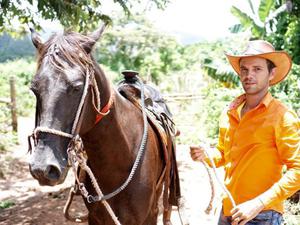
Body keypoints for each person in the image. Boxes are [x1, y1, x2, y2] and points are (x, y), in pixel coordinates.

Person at [190, 40, 300, 225]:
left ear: (271, 74)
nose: (249, 75)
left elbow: (297, 170)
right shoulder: (229, 112)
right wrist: (206, 155)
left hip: (263, 215)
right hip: (228, 211)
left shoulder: (282, 117)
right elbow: (223, 154)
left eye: (257, 69)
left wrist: (258, 203)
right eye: (245, 69)